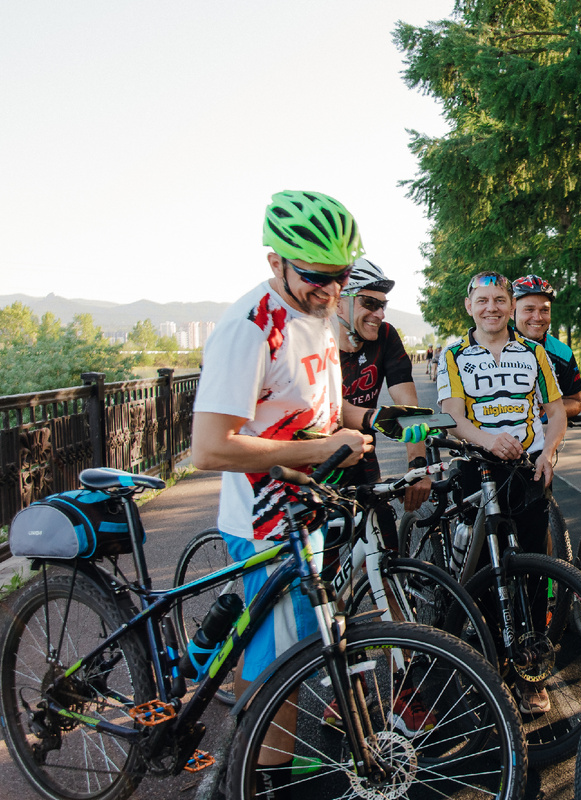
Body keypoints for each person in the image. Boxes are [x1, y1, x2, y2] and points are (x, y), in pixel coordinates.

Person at [191, 190, 375, 793]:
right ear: (275, 262)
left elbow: (309, 408)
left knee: (291, 646)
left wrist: (369, 421)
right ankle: (258, 781)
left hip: (305, 509)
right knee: (277, 661)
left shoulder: (316, 314)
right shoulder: (249, 328)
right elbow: (208, 449)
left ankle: (258, 762)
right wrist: (317, 452)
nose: (332, 290)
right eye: (317, 277)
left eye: (342, 276)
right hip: (264, 519)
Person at [436, 271, 567, 714]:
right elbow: (454, 416)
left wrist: (549, 452)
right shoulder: (453, 355)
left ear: (511, 306)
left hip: (527, 470)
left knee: (534, 571)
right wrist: (488, 441)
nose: (491, 307)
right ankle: (491, 667)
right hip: (477, 470)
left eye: (499, 300)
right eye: (482, 300)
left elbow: (555, 412)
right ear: (469, 306)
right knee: (484, 575)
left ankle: (533, 671)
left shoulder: (534, 352)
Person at [336, 257, 431, 510]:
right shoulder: (314, 339)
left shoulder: (386, 335)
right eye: (370, 303)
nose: (380, 313)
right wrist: (376, 417)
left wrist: (417, 465)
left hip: (363, 457)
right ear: (338, 303)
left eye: (383, 305)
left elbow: (408, 405)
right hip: (317, 464)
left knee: (383, 528)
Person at [511, 275, 581, 420]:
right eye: (529, 309)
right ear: (511, 312)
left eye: (544, 310)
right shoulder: (494, 348)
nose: (538, 317)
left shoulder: (562, 353)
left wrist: (548, 409)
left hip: (547, 431)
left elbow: (576, 401)